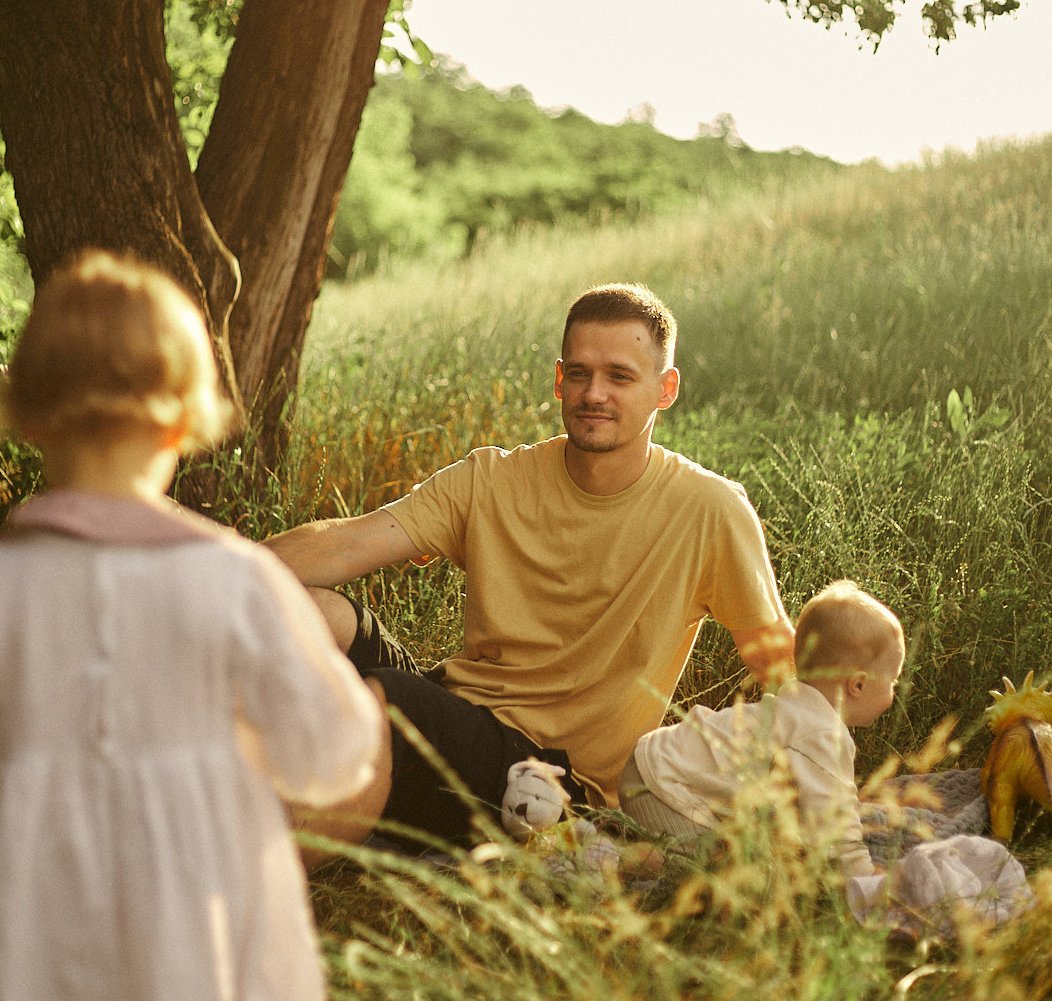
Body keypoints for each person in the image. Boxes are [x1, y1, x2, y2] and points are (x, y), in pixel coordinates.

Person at [0, 252, 389, 1001]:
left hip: (37, 879)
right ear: (181, 420)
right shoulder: (235, 580)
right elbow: (331, 751)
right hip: (203, 874)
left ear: (34, 417)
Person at [265, 282, 795, 850]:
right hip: (457, 714)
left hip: (550, 780)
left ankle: (256, 894)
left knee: (388, 705)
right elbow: (345, 544)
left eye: (619, 376)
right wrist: (207, 565)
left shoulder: (709, 510)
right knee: (303, 612)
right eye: (579, 374)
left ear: (666, 389)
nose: (594, 393)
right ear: (559, 378)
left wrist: (799, 798)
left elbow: (781, 669)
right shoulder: (492, 479)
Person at [620, 581, 907, 878]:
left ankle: (630, 838)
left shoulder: (795, 709)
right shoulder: (822, 735)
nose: (893, 692)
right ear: (857, 685)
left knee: (744, 853)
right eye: (892, 682)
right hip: (660, 785)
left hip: (655, 766)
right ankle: (609, 858)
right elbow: (835, 828)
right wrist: (865, 877)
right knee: (722, 874)